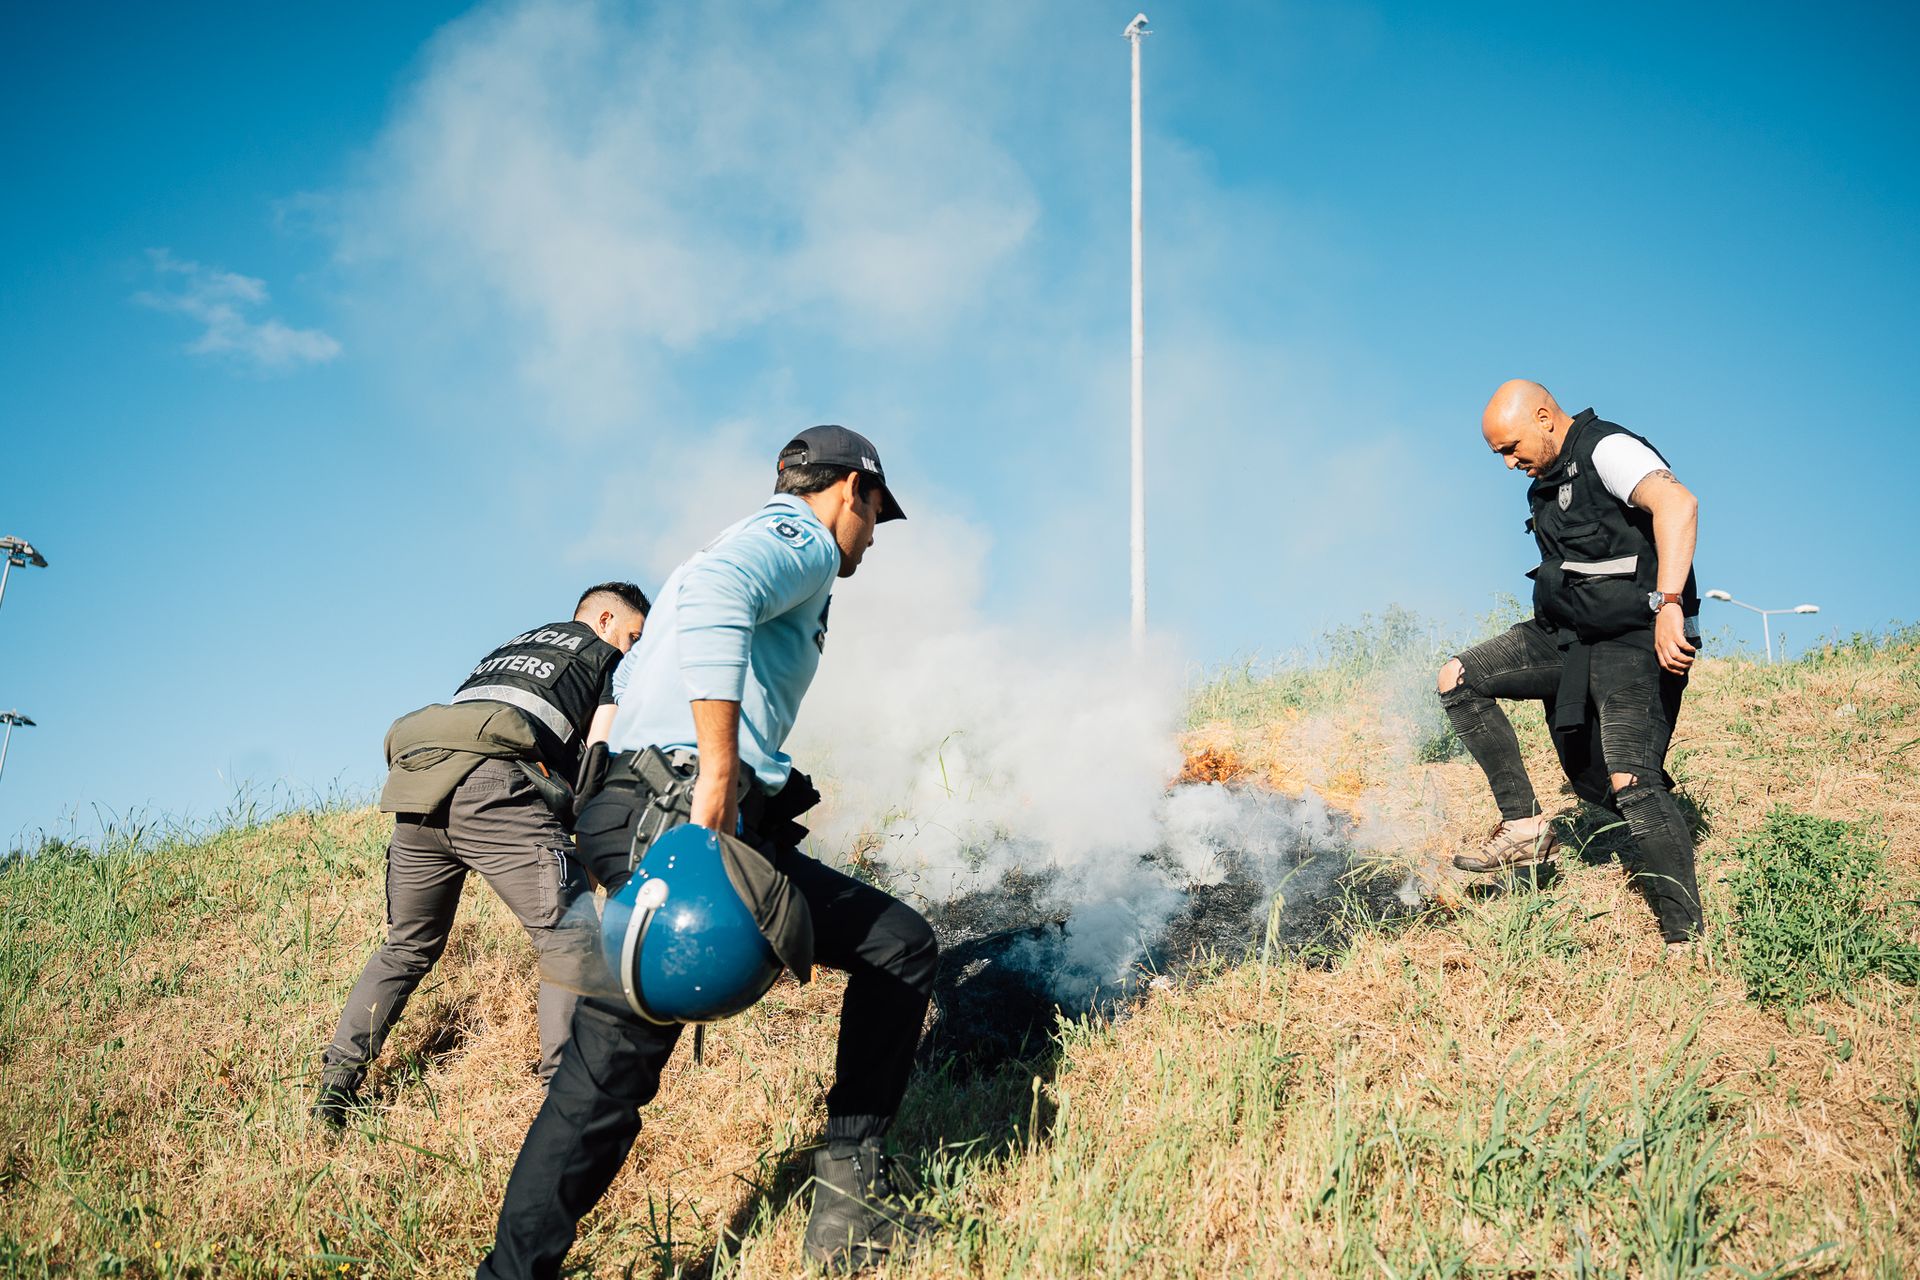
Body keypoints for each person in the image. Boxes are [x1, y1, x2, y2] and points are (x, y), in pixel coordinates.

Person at [476, 426, 940, 1278]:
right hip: (683, 814)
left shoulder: (728, 544)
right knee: (899, 949)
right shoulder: (796, 538)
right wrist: (721, 773)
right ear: (850, 490)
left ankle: (512, 1273)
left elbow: (650, 672)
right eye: (877, 513)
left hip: (634, 810)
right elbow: (721, 598)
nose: (874, 534)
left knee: (606, 1072)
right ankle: (848, 1221)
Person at [313, 583, 650, 1125]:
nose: (633, 648)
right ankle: (564, 1103)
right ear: (606, 619)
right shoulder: (603, 657)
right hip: (490, 788)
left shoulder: (508, 651)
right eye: (634, 635)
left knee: (405, 948)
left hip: (417, 787)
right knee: (568, 936)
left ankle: (335, 1086)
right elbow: (598, 761)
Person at [1437, 380, 1705, 947]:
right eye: (1499, 455)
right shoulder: (1544, 482)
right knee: (1460, 679)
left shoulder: (1608, 449)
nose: (1509, 464)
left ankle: (1686, 938)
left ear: (1544, 417)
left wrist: (1670, 605)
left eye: (1511, 448)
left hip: (1636, 636)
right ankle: (1525, 826)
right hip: (1567, 636)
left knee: (1629, 777)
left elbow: (1678, 504)